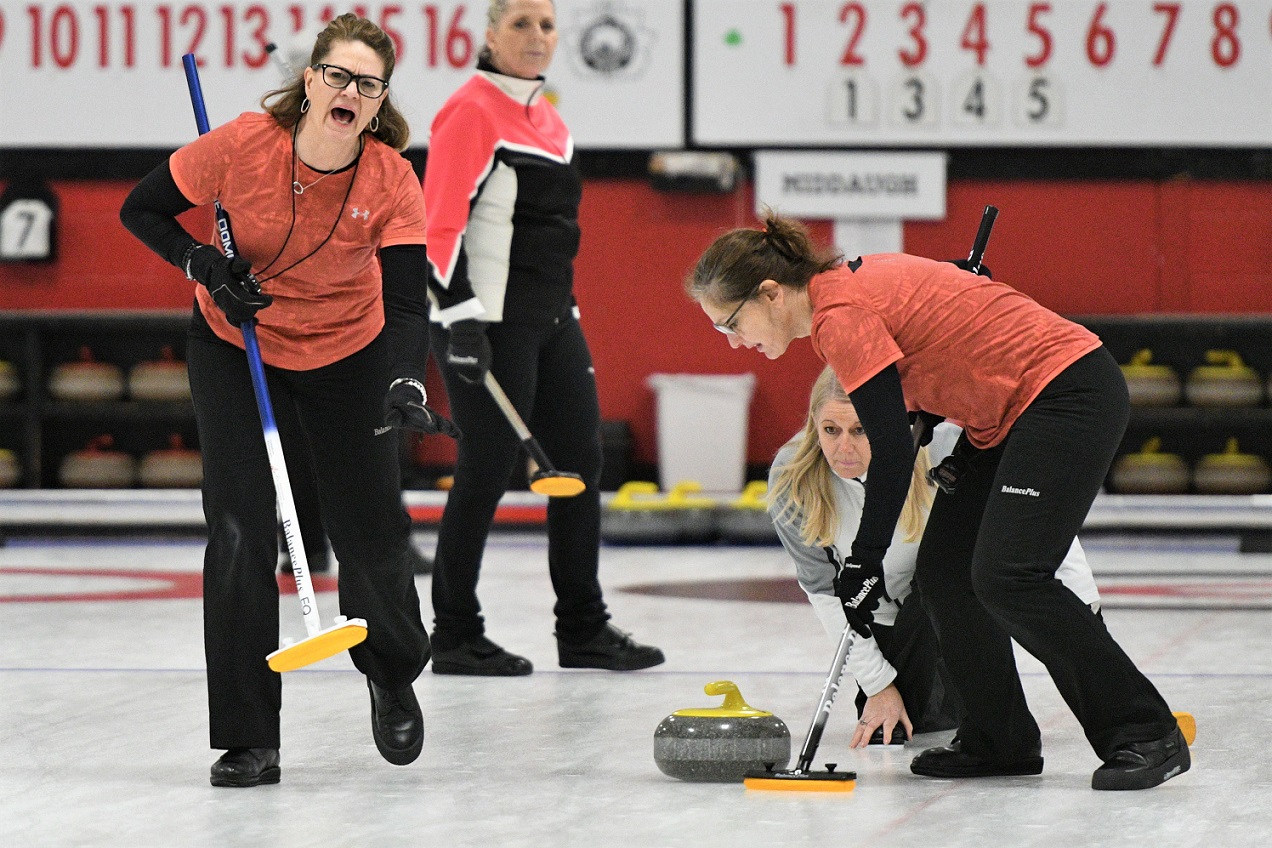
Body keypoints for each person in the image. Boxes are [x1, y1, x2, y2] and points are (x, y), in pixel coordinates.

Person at [686, 211, 1189, 791]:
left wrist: (863, 560)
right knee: (946, 573)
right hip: (1003, 419)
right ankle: (997, 739)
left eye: (731, 323)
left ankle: (1146, 733)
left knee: (1010, 576)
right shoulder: (846, 286)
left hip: (1065, 395)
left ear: (771, 293)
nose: (734, 340)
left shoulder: (839, 315)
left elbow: (891, 452)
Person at [120, 14, 457, 786]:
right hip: (236, 346)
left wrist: (405, 379)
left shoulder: (391, 179)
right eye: (338, 75)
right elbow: (141, 209)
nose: (350, 91)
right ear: (310, 81)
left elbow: (408, 304)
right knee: (240, 528)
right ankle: (249, 736)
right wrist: (204, 265)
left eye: (368, 84)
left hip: (349, 353)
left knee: (371, 530)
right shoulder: (240, 146)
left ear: (379, 101)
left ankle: (391, 672)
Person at [420, 0, 662, 675]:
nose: (536, 36)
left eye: (546, 25)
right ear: (490, 34)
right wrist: (460, 316)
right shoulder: (469, 111)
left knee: (580, 465)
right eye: (520, 23)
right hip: (485, 322)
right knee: (486, 470)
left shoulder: (549, 121)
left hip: (553, 317)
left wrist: (563, 307)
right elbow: (437, 229)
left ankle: (582, 630)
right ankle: (454, 634)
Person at [769, 366, 1101, 750]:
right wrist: (878, 685)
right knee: (906, 725)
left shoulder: (945, 448)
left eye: (860, 430)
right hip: (884, 621)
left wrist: (1087, 619)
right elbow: (824, 591)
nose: (844, 448)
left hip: (949, 608)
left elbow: (1038, 526)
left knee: (940, 576)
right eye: (831, 430)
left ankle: (986, 709)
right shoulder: (792, 476)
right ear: (814, 424)